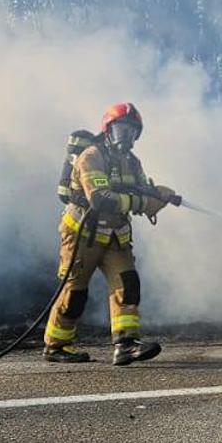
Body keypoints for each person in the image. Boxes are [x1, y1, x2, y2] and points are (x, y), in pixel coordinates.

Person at [44, 102, 180, 365]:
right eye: (121, 128)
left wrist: (159, 195)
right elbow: (100, 200)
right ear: (108, 128)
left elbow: (140, 191)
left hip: (116, 236)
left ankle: (126, 344)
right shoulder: (92, 156)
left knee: (128, 285)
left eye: (131, 130)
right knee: (74, 293)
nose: (126, 135)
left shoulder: (132, 162)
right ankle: (56, 346)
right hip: (83, 236)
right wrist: (141, 203)